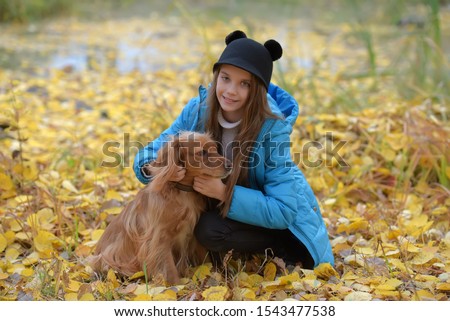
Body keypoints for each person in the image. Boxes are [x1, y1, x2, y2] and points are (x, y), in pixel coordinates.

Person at [133, 30, 334, 269]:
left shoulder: (272, 129)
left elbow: (284, 210)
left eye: (244, 84)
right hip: (232, 212)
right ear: (217, 76)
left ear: (257, 90)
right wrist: (156, 168)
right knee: (195, 221)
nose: (230, 91)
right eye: (225, 78)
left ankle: (278, 248)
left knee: (208, 229)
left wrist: (223, 192)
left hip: (280, 223)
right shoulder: (198, 110)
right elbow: (151, 152)